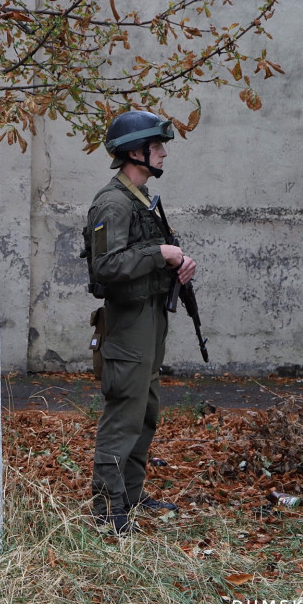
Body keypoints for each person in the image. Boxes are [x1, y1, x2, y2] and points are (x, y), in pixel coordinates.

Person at [83, 110, 197, 534]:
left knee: (145, 412)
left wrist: (178, 262)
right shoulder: (112, 203)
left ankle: (129, 495)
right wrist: (160, 254)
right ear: (136, 151)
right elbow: (106, 265)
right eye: (157, 146)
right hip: (128, 323)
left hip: (150, 317)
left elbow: (147, 254)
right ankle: (107, 509)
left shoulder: (140, 199)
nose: (164, 154)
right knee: (124, 414)